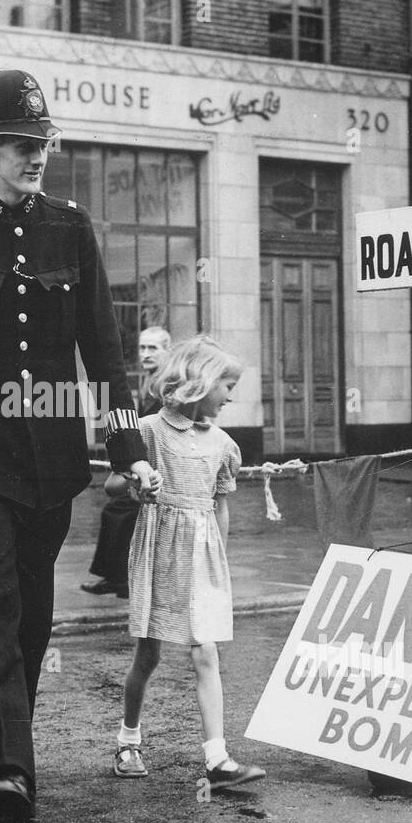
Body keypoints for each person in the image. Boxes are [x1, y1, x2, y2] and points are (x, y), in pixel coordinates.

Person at [0, 70, 161, 823]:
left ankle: (13, 739)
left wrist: (128, 447)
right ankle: (8, 772)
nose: (34, 155)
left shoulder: (70, 228)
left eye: (42, 143)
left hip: (50, 456)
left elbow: (103, 350)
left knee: (33, 616)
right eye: (19, 144)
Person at [110, 335, 266, 789]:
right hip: (158, 550)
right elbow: (111, 487)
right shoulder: (147, 432)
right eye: (227, 385)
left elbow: (220, 504)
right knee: (149, 652)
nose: (231, 395)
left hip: (203, 556)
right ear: (200, 382)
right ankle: (128, 739)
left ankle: (217, 760)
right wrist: (138, 485)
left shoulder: (223, 445)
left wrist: (221, 556)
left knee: (206, 652)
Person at [81, 326, 171, 597]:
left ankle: (121, 579)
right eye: (142, 348)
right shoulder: (147, 382)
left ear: (168, 351)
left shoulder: (170, 384)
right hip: (142, 462)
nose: (145, 354)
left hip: (160, 464)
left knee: (121, 510)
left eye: (153, 348)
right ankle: (117, 577)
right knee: (116, 509)